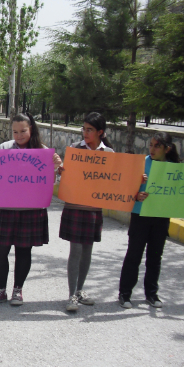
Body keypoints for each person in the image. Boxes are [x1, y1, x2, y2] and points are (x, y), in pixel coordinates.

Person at [0, 113, 61, 306]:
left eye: (23, 131)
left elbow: (51, 182)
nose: (19, 135)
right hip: (5, 209)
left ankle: (18, 290)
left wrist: (56, 167)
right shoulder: (4, 148)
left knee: (23, 251)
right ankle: (1, 290)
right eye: (15, 131)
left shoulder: (43, 152)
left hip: (30, 210)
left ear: (31, 129)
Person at [118, 132, 181, 309]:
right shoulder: (141, 163)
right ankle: (125, 293)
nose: (152, 149)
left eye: (157, 146)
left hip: (161, 216)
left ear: (167, 149)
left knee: (155, 256)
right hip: (140, 215)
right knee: (134, 255)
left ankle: (152, 294)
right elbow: (125, 188)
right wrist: (137, 193)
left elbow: (178, 194)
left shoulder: (173, 168)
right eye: (151, 145)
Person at [59, 112, 114, 312]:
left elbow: (114, 181)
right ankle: (71, 295)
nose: (85, 133)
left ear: (100, 132)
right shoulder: (75, 150)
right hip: (75, 207)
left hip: (93, 209)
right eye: (83, 129)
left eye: (89, 130)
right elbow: (66, 177)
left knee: (87, 250)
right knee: (76, 251)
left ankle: (80, 290)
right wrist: (62, 172)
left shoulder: (108, 154)